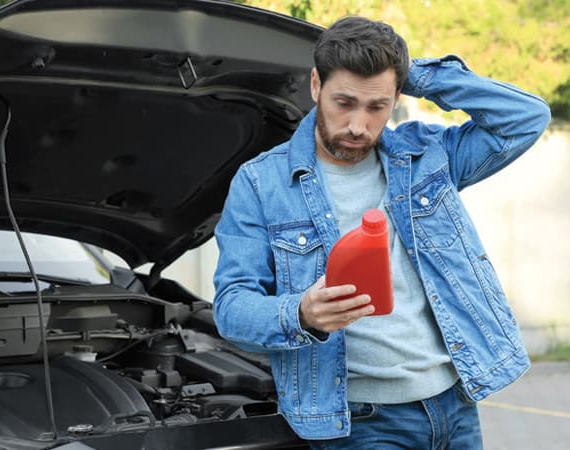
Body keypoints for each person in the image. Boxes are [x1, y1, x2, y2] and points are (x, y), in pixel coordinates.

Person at [212, 15, 550, 448]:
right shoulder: (262, 183)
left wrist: (418, 76)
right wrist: (301, 314)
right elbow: (232, 306)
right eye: (344, 103)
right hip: (361, 424)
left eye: (377, 107)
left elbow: (525, 118)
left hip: (455, 405)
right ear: (316, 85)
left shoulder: (427, 156)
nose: (358, 125)